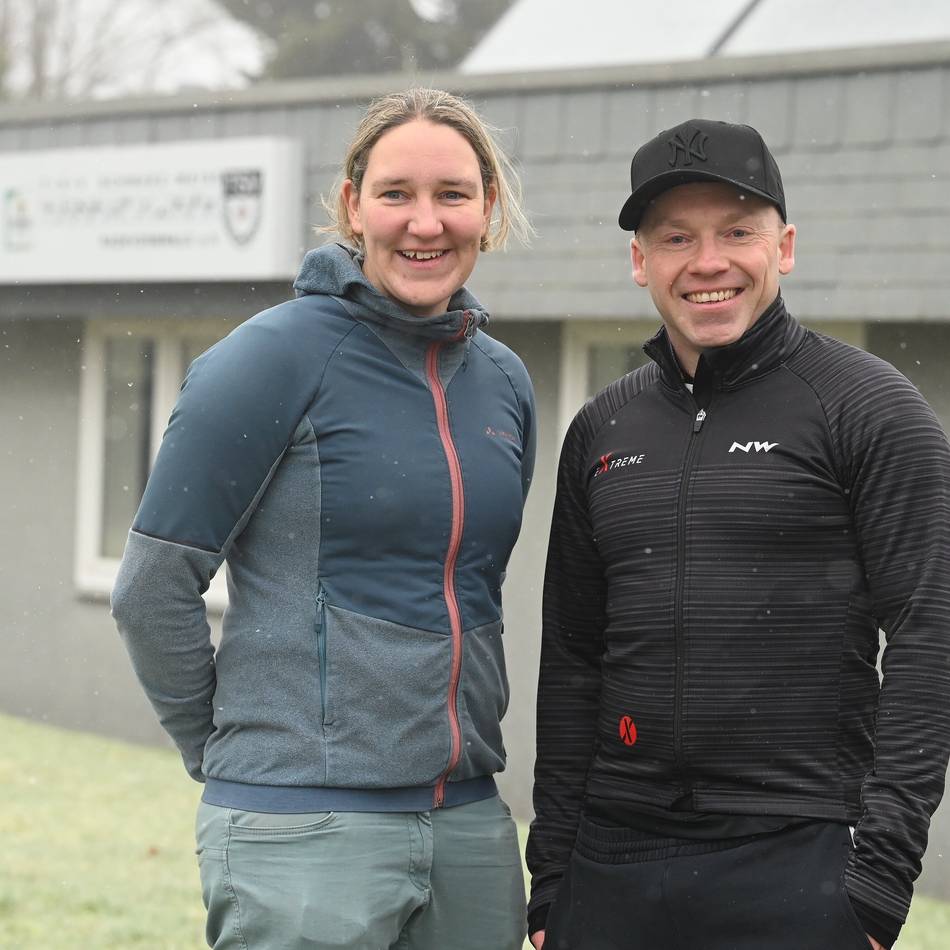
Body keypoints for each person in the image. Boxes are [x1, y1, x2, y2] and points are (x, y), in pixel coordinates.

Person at [112, 87, 535, 950]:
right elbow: (151, 590)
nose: (425, 222)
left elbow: (476, 593)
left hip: (467, 824)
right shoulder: (267, 359)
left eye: (452, 194)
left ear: (487, 210)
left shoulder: (504, 383)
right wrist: (235, 752)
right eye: (396, 194)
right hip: (300, 832)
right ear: (352, 205)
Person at [526, 118, 950, 950]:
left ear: (783, 246)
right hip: (612, 863)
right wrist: (552, 882)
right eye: (676, 237)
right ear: (640, 261)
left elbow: (930, 637)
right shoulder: (603, 428)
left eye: (737, 232)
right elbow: (573, 659)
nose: (707, 262)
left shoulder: (872, 409)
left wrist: (878, 882)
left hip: (802, 860)